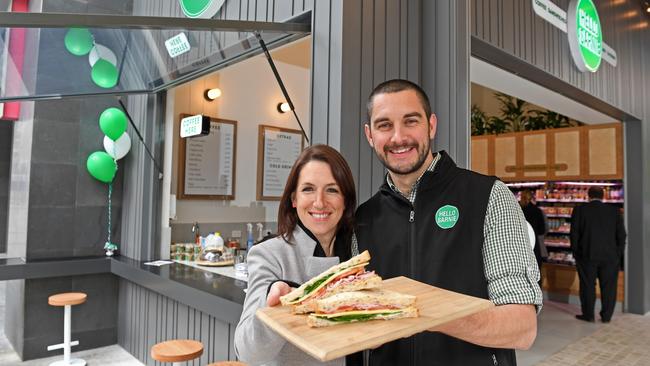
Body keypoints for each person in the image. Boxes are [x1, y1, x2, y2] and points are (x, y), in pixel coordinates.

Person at [354, 79, 542, 365]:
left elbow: (522, 327)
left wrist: (423, 313)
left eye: (410, 121)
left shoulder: (489, 197)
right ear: (370, 135)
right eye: (384, 125)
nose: (398, 137)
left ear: (431, 125)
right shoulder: (364, 219)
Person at [234, 144, 360, 366]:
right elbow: (247, 352)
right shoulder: (268, 254)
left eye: (332, 190)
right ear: (293, 199)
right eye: (308, 189)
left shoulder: (357, 252)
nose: (319, 202)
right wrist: (274, 307)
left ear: (346, 200)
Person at [570, 186, 626, 323]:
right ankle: (606, 316)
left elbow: (574, 234)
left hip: (587, 255)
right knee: (609, 287)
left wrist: (576, 253)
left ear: (589, 196)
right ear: (603, 196)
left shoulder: (580, 210)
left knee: (587, 286)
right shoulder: (614, 211)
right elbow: (622, 235)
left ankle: (588, 315)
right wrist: (617, 253)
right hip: (610, 257)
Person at [519, 189, 547, 287]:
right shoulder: (537, 211)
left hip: (520, 249)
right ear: (532, 197)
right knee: (536, 275)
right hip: (535, 248)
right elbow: (542, 231)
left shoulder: (517, 210)